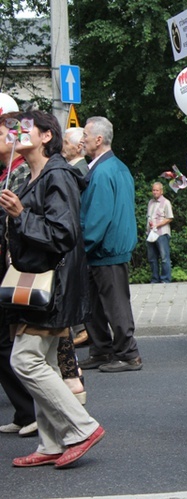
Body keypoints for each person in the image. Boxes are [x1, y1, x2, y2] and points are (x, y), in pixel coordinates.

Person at [0, 110, 104, 468]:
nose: (15, 134)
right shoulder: (31, 175)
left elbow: (63, 234)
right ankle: (50, 443)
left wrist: (19, 216)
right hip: (37, 284)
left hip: (52, 286)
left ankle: (81, 427)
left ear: (46, 136)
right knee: (43, 362)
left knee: (24, 360)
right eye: (12, 130)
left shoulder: (57, 174)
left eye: (23, 128)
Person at [77, 117, 142, 373]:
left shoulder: (103, 171)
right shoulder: (115, 167)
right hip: (107, 248)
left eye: (85, 134)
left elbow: (98, 216)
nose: (82, 140)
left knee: (114, 305)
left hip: (104, 249)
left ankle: (128, 354)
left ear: (99, 139)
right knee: (95, 304)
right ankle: (102, 350)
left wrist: (81, 247)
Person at [0, 112, 36, 438]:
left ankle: (36, 412)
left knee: (22, 346)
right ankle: (26, 412)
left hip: (18, 268)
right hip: (8, 267)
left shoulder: (22, 172)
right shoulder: (6, 172)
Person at [60, 126, 90, 346]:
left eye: (66, 142)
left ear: (78, 146)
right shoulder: (75, 168)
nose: (63, 146)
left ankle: (83, 328)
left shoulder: (80, 171)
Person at [146, 182, 173, 284]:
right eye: (153, 190)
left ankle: (165, 279)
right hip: (150, 233)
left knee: (164, 258)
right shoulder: (150, 202)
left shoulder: (166, 202)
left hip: (162, 233)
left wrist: (158, 225)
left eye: (157, 190)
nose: (155, 192)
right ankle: (155, 279)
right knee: (152, 258)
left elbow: (170, 218)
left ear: (161, 191)